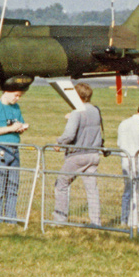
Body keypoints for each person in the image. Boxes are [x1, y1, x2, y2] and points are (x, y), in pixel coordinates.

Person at [52, 83, 104, 226]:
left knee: (61, 184)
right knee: (92, 190)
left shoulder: (77, 112)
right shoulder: (95, 110)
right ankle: (96, 222)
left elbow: (69, 135)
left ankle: (60, 219)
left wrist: (58, 142)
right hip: (93, 154)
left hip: (77, 155)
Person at [0, 87, 29, 222]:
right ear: (7, 91)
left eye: (20, 96)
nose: (18, 98)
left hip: (15, 149)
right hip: (0, 150)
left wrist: (21, 128)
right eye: (16, 95)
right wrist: (10, 129)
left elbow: (17, 124)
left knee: (13, 186)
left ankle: (11, 219)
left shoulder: (16, 108)